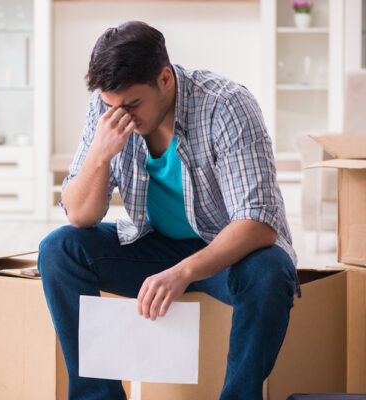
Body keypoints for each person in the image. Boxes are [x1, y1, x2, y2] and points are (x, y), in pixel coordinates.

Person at [38, 21, 299, 400]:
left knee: (271, 269)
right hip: (154, 246)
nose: (121, 116)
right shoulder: (107, 109)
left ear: (164, 79)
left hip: (226, 254)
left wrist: (182, 273)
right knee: (59, 249)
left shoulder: (226, 105)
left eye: (132, 104)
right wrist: (100, 153)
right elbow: (81, 216)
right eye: (111, 106)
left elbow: (258, 222)